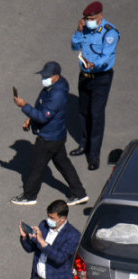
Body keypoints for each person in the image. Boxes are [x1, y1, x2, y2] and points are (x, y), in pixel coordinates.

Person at [11, 62, 89, 206]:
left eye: (46, 76)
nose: (43, 78)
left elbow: (43, 116)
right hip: (56, 135)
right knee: (64, 164)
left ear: (56, 76)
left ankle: (29, 196)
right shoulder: (55, 87)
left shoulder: (57, 94)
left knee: (37, 168)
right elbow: (42, 107)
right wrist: (30, 118)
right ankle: (79, 193)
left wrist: (24, 106)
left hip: (48, 138)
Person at [70, 1, 120, 170]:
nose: (88, 20)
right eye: (86, 18)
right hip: (85, 76)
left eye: (91, 18)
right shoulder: (85, 28)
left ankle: (94, 155)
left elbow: (107, 57)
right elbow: (74, 46)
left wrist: (94, 64)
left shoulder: (109, 32)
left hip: (100, 78)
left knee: (96, 114)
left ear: (100, 16)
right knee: (83, 111)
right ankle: (84, 144)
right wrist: (78, 31)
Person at [20, 199, 81, 279]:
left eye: (52, 218)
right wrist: (25, 237)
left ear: (62, 219)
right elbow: (30, 248)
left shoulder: (73, 235)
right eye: (48, 216)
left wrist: (43, 242)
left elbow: (60, 258)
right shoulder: (44, 226)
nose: (49, 220)